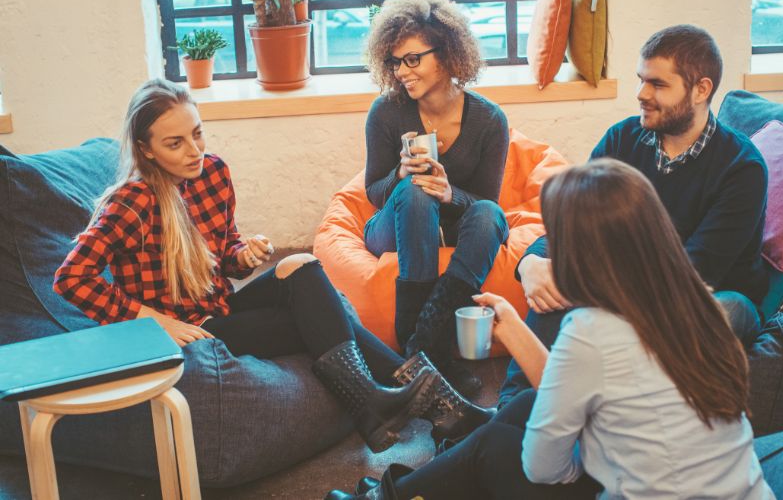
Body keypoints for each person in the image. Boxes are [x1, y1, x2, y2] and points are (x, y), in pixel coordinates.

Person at [53, 79, 488, 453]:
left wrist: (244, 254)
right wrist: (153, 322)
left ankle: (385, 404)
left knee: (303, 267)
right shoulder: (131, 203)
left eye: (197, 134)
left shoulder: (212, 174)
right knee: (322, 314)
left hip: (221, 307)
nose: (194, 151)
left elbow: (224, 256)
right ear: (146, 151)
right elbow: (70, 278)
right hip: (195, 332)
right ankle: (430, 406)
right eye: (175, 143)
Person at [327, 159, 775, 500]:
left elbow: (545, 470)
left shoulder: (592, 329)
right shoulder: (698, 304)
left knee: (497, 446)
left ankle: (400, 492)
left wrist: (573, 448)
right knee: (522, 405)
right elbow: (596, 392)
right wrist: (514, 327)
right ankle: (403, 490)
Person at [500, 24, 769, 407]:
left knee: (719, 311)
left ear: (701, 90)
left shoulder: (741, 167)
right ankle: (511, 410)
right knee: (554, 280)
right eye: (642, 81)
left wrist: (593, 278)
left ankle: (592, 416)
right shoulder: (623, 139)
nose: (642, 94)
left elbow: (694, 272)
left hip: (707, 294)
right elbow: (572, 222)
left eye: (658, 85)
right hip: (631, 279)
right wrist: (532, 262)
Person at [363, 0, 510, 397]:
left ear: (446, 55)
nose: (402, 72)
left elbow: (485, 200)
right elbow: (374, 192)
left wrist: (449, 192)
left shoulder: (489, 121)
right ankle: (436, 356)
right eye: (395, 62)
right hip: (392, 226)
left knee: (490, 216)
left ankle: (421, 349)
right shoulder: (386, 112)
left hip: (454, 226)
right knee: (414, 191)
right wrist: (400, 172)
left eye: (413, 59)